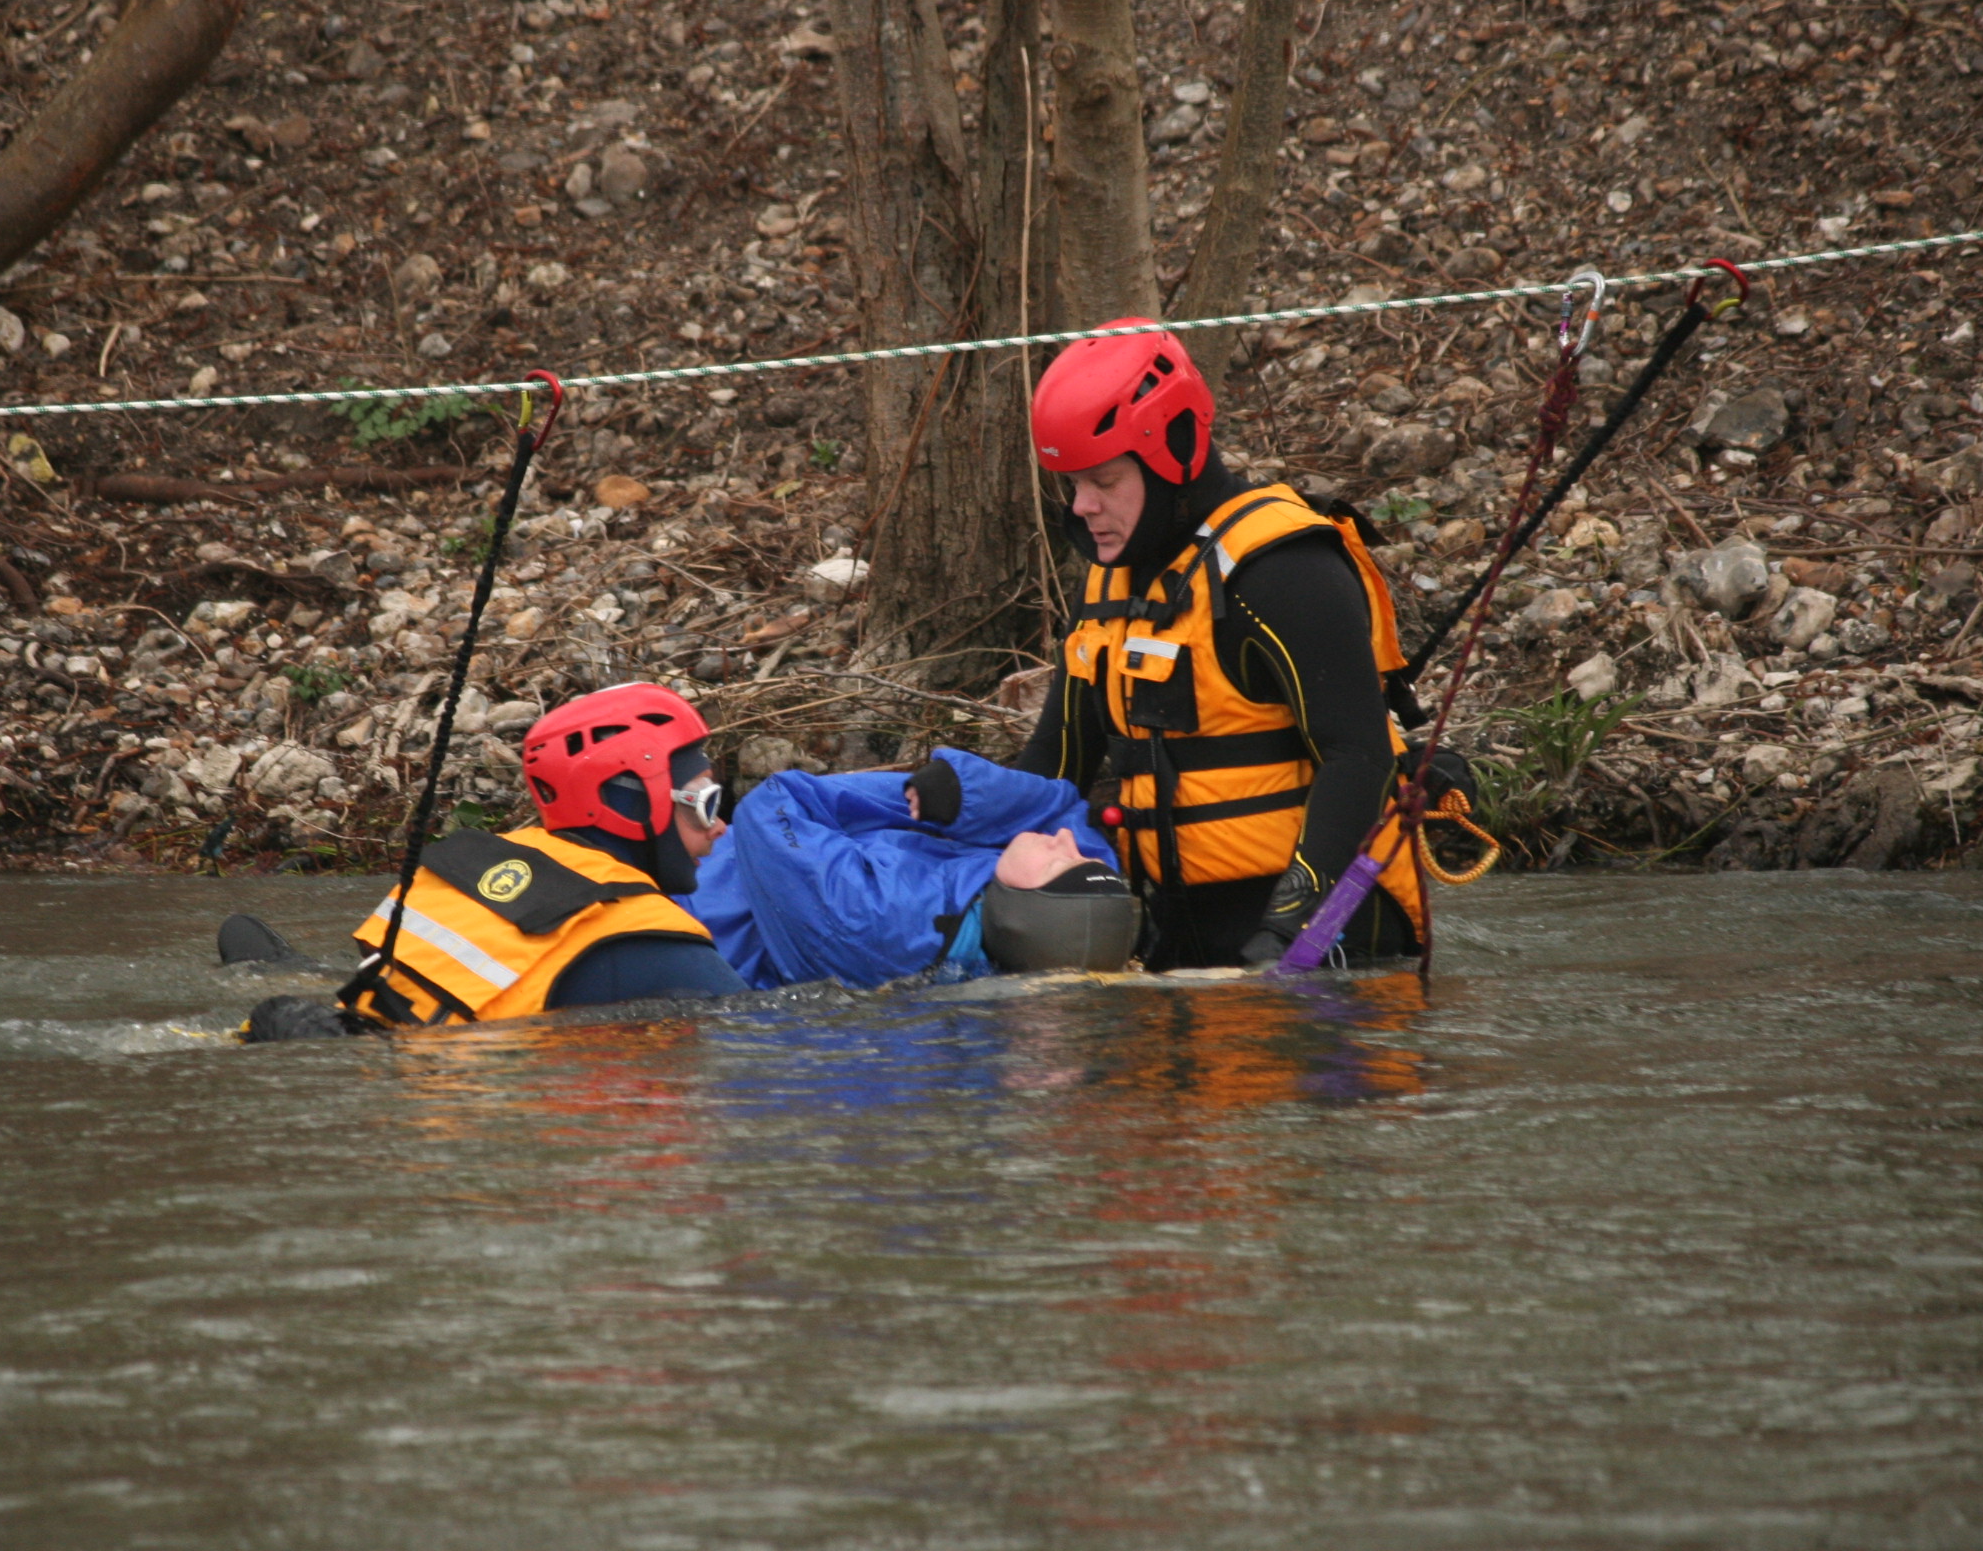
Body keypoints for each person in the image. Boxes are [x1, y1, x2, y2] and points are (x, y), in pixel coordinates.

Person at [1016, 319, 1438, 971]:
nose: (1081, 507)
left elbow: (1358, 754)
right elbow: (1055, 760)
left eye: (1102, 481)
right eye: (1072, 485)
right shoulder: (1109, 581)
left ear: (1172, 451)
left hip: (1329, 943)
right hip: (1178, 938)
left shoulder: (1285, 573)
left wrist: (1292, 927)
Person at [239, 683, 747, 1041]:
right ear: (629, 802)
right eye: (705, 803)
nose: (720, 825)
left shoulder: (483, 865)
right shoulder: (650, 942)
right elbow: (769, 1038)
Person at [685, 747, 1136, 989]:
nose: (1067, 840)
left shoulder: (871, 918)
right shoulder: (1053, 913)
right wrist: (967, 796)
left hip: (687, 900)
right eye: (1084, 856)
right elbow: (1067, 811)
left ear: (1024, 910)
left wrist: (909, 798)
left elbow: (774, 804)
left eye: (1063, 859)